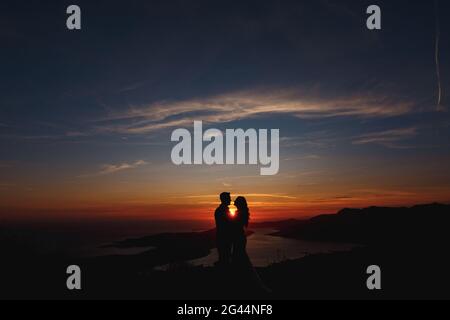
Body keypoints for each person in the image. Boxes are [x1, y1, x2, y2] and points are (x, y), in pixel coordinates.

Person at [215, 192, 232, 266]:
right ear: (224, 199)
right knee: (225, 259)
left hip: (223, 238)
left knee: (225, 258)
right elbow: (227, 225)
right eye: (229, 198)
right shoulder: (222, 210)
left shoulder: (222, 210)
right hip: (224, 238)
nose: (230, 200)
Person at [231, 196, 250, 264]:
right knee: (240, 254)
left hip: (239, 237)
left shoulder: (240, 213)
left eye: (236, 200)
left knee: (238, 255)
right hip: (240, 236)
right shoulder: (241, 212)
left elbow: (235, 225)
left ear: (239, 203)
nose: (234, 201)